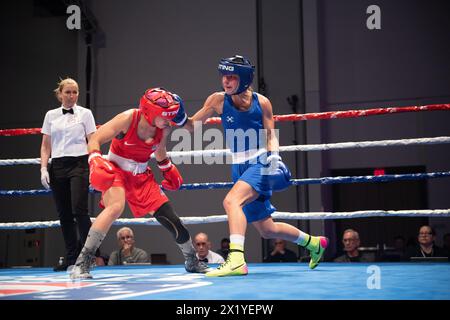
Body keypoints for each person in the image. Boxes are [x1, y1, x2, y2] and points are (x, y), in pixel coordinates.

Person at [184, 55, 328, 277]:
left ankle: (237, 260)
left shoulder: (262, 102)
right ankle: (314, 243)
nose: (225, 81)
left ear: (242, 78)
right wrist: (174, 116)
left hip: (260, 162)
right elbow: (192, 127)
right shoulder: (217, 100)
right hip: (238, 166)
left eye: (231, 77)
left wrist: (274, 157)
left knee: (231, 201)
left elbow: (271, 135)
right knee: (267, 230)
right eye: (224, 76)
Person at [69, 87, 209, 279]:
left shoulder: (163, 127)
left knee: (172, 219)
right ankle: (82, 262)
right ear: (151, 112)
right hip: (116, 171)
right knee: (115, 207)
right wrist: (94, 158)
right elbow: (96, 138)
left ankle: (191, 261)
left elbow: (159, 150)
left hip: (142, 176)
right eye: (165, 116)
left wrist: (167, 168)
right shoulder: (128, 118)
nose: (169, 121)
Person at [40, 78, 97, 271]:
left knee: (79, 209)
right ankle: (72, 257)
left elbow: (92, 140)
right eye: (68, 92)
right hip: (57, 166)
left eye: (75, 92)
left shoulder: (86, 114)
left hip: (80, 164)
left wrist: (94, 161)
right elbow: (45, 145)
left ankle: (88, 256)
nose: (72, 96)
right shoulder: (50, 115)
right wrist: (43, 168)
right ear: (60, 94)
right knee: (64, 214)